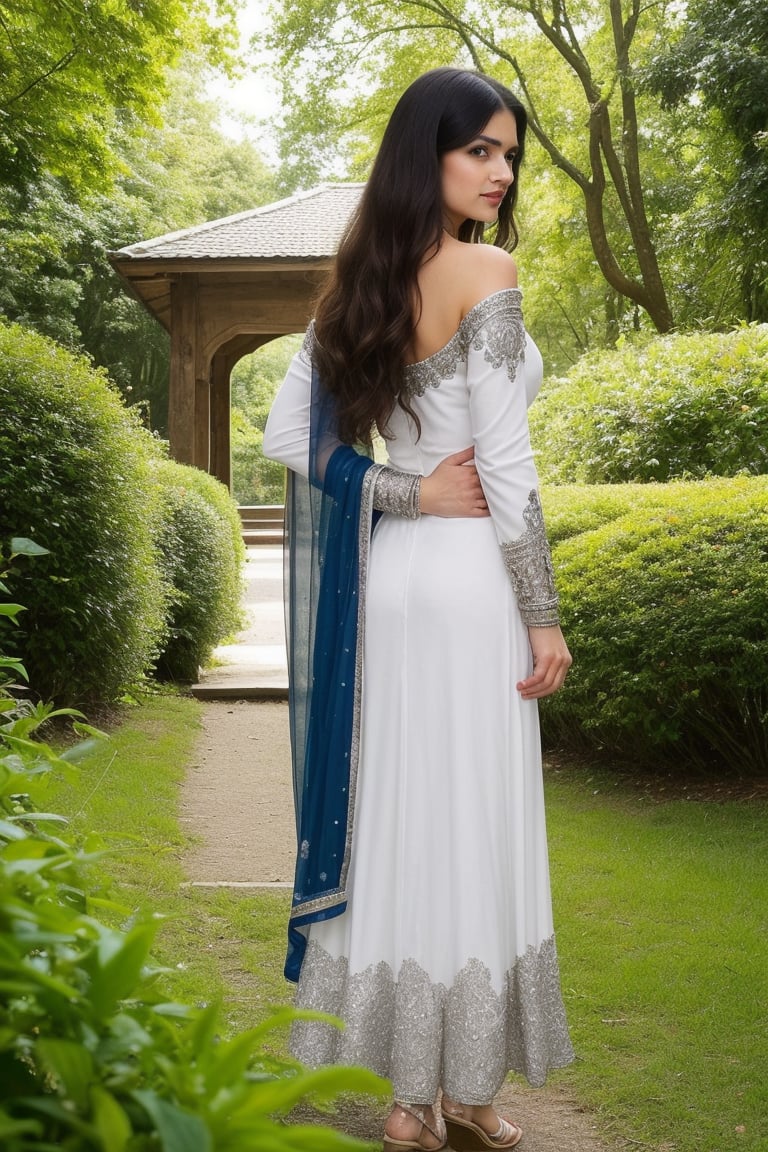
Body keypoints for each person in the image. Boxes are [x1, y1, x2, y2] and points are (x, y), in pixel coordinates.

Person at [263, 66, 574, 1152]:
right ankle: (467, 1096)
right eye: (478, 149)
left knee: (400, 819)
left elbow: (289, 441)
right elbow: (508, 463)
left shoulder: (360, 281)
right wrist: (543, 614)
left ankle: (413, 1100)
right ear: (427, 155)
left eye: (507, 153)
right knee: (470, 821)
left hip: (398, 580)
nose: (499, 171)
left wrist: (400, 489)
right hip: (468, 586)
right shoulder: (487, 269)